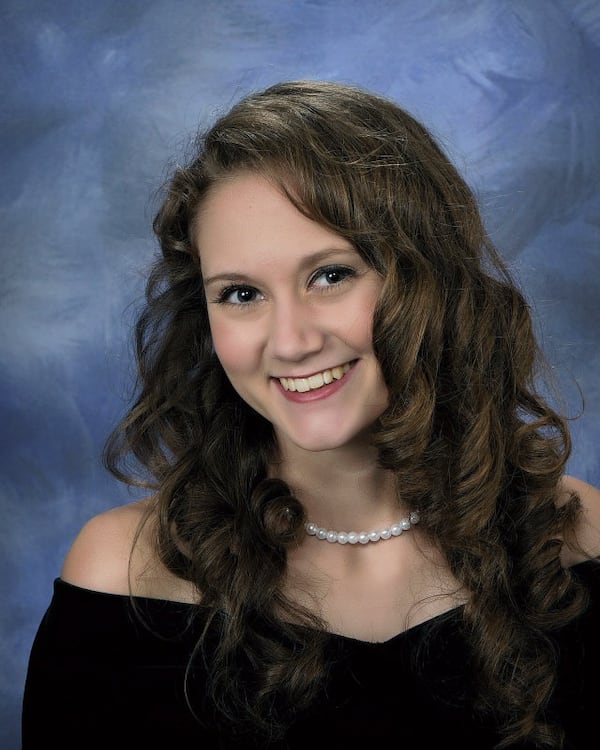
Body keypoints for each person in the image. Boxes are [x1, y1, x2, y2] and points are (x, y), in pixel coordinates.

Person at [21, 79, 600, 750]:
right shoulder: (120, 573)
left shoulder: (579, 538)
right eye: (241, 294)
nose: (291, 341)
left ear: (429, 280)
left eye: (330, 275)